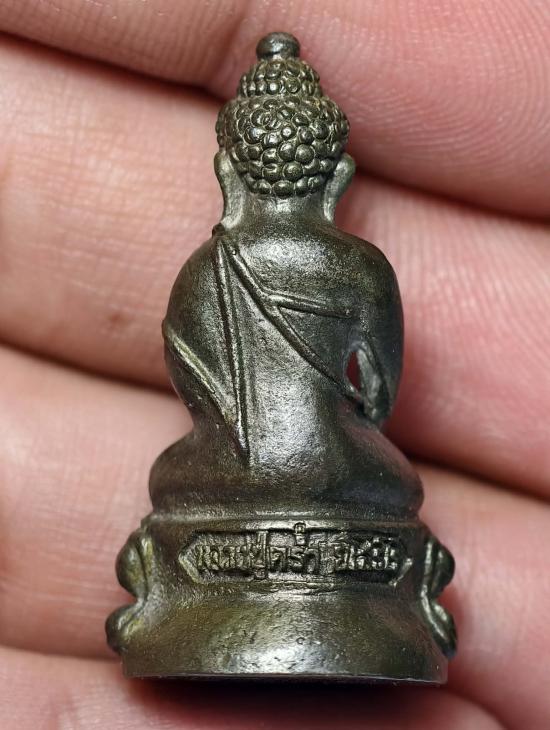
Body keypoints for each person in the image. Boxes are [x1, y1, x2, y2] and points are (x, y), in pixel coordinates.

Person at [0, 2, 548, 728]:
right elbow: (378, 397)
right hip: (338, 471)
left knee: (176, 471)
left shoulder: (205, 269)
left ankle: (196, 588)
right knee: (381, 469)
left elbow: (195, 395)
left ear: (228, 173)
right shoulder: (362, 268)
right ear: (337, 178)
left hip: (224, 477)